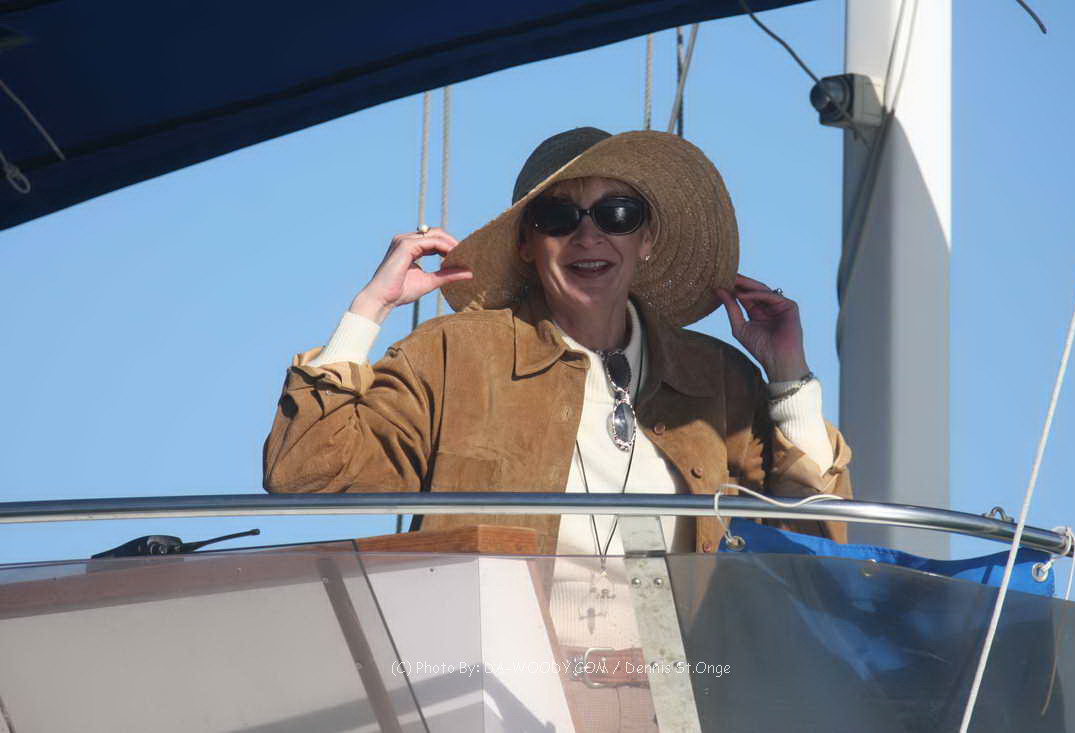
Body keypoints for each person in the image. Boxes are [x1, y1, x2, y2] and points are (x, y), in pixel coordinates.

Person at [263, 127, 852, 554]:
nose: (588, 236)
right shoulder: (452, 356)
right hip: (497, 676)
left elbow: (812, 551)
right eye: (557, 217)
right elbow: (304, 475)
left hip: (680, 678)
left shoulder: (718, 378)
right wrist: (369, 308)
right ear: (525, 244)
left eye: (616, 214)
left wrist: (788, 378)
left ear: (646, 239)